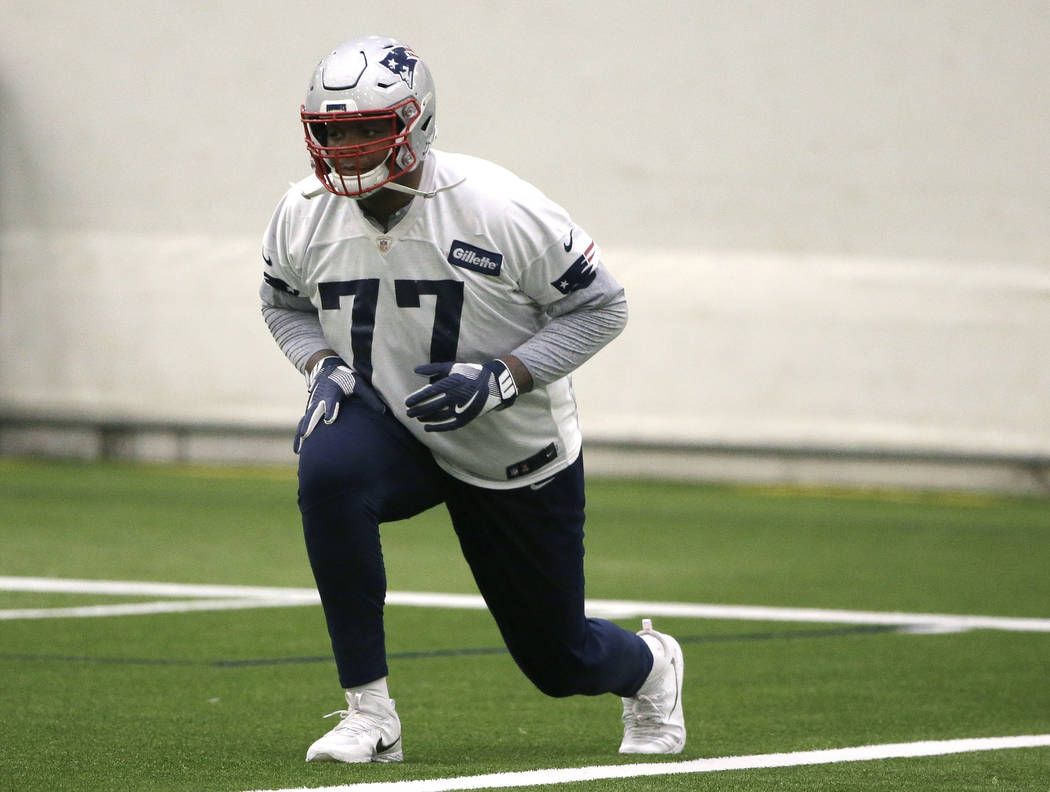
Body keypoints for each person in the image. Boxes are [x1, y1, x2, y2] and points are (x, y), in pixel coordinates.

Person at [259, 34, 686, 763]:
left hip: (508, 442)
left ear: (415, 123)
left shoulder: (498, 207)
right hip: (395, 422)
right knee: (328, 469)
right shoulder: (302, 212)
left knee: (559, 660)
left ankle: (650, 667)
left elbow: (602, 309)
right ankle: (371, 714)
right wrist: (320, 362)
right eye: (333, 132)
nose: (349, 148)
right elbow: (283, 304)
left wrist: (504, 377)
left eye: (368, 128)